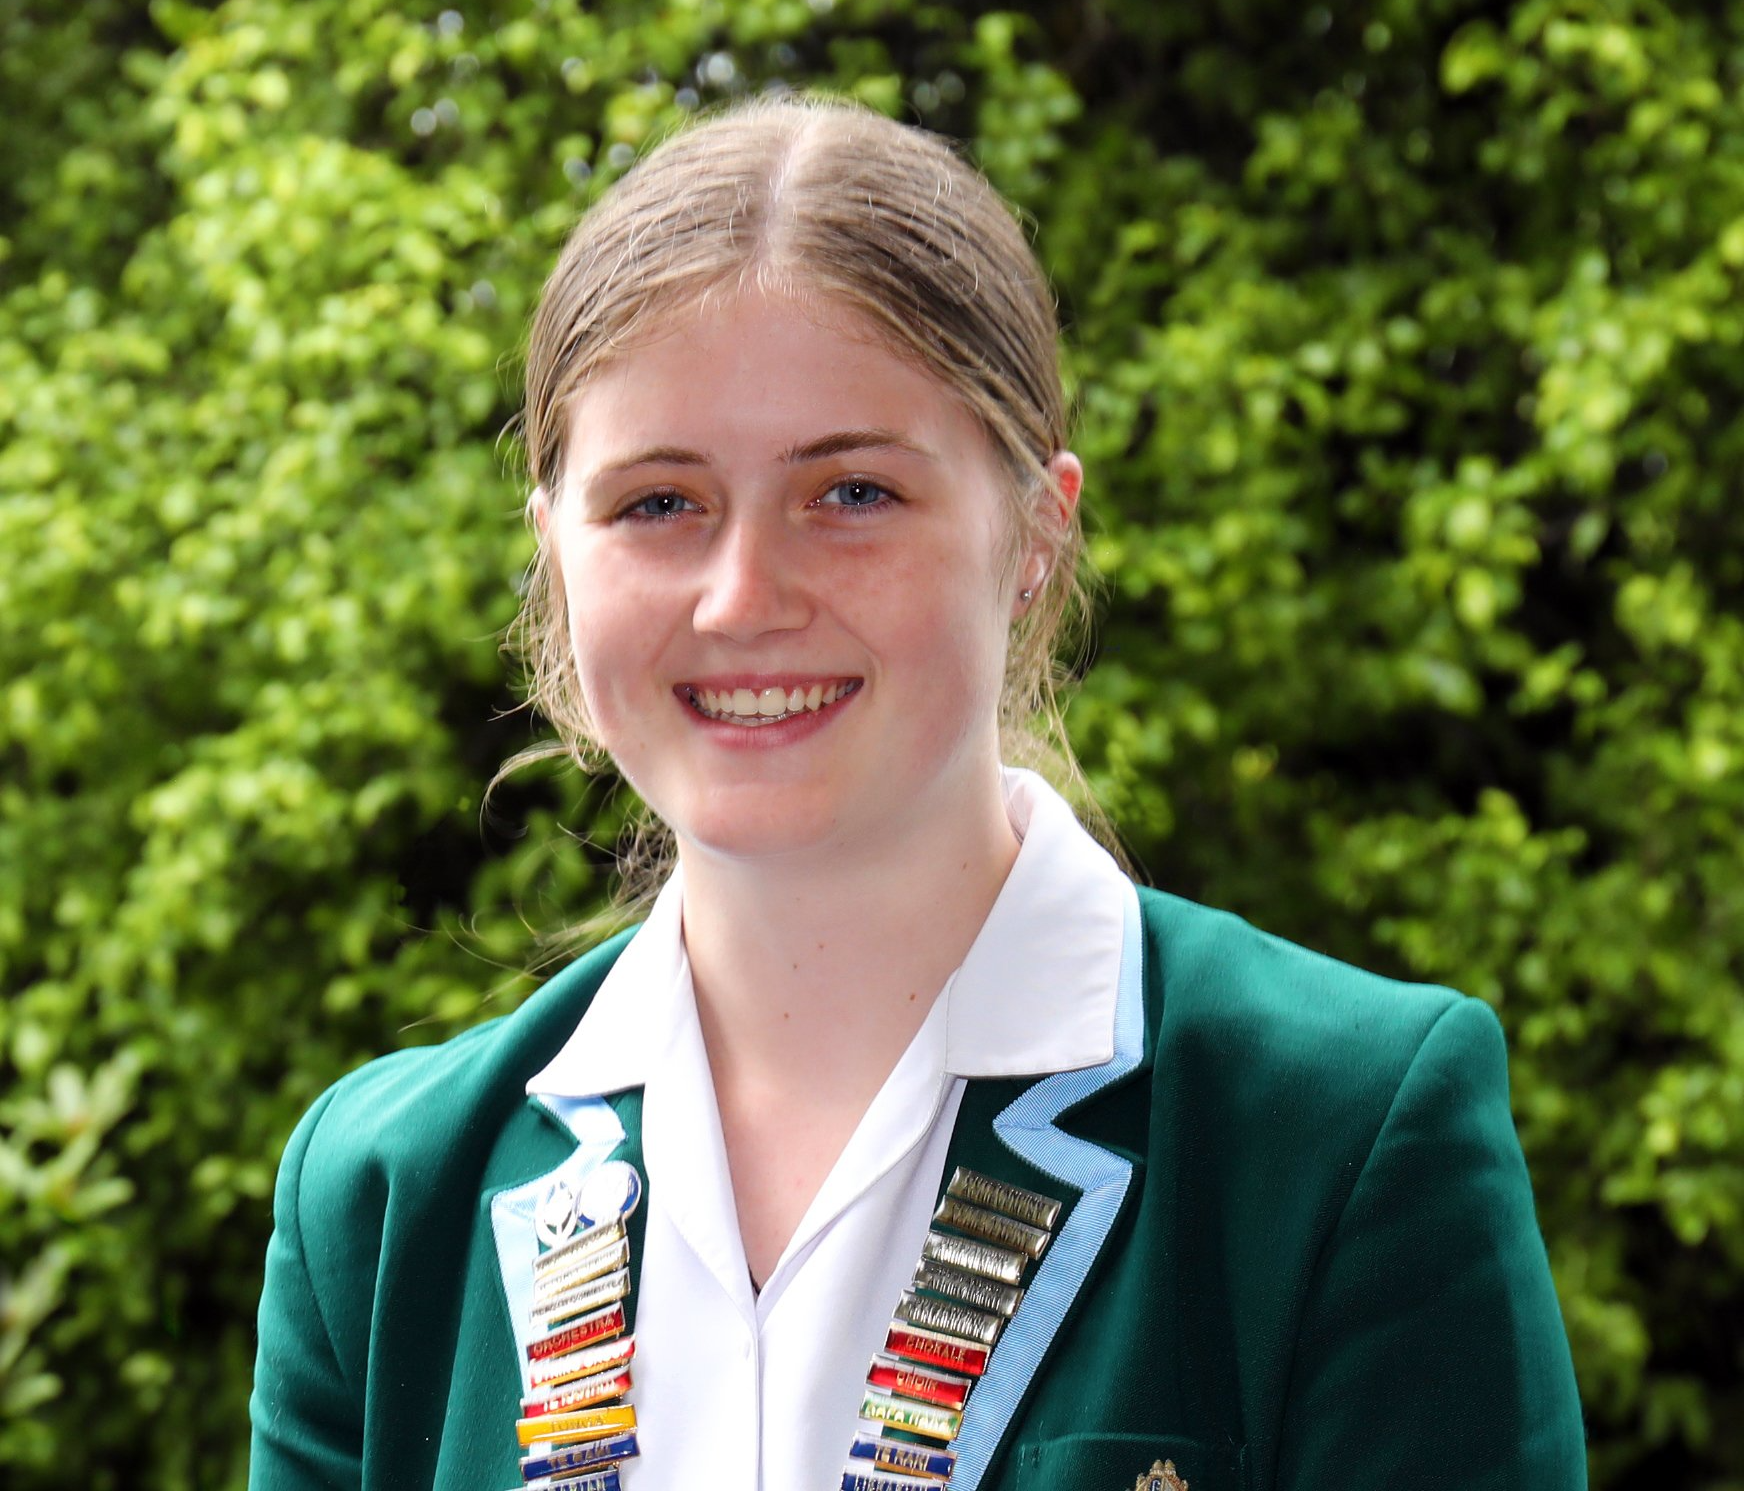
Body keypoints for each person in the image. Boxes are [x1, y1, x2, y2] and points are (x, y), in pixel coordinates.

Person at [248, 94, 1587, 1491]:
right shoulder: (383, 1202)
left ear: (1035, 530)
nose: (744, 595)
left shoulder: (1334, 1137)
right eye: (659, 502)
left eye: (854, 493)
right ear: (555, 554)